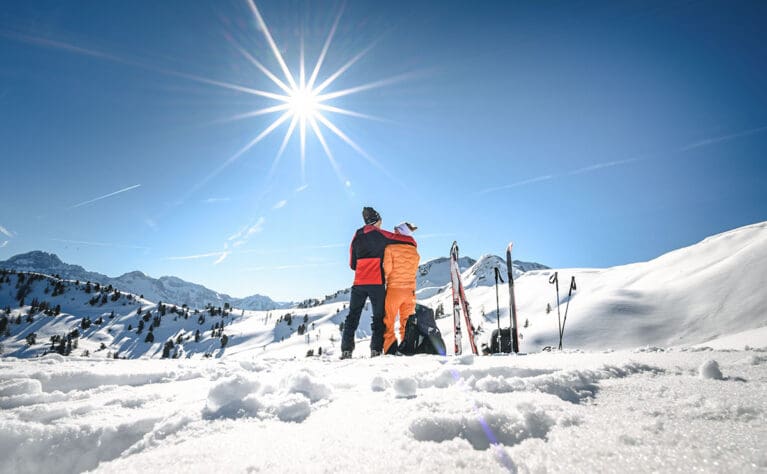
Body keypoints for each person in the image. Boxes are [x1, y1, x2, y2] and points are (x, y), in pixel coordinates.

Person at [342, 207, 415, 359]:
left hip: (359, 282)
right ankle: (376, 351)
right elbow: (399, 239)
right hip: (376, 282)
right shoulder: (380, 234)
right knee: (379, 317)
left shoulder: (357, 235)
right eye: (381, 222)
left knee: (353, 316)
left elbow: (352, 264)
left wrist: (363, 265)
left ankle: (346, 350)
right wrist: (412, 241)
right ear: (377, 221)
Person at [382, 222, 419, 355]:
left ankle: (390, 348)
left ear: (400, 232)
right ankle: (408, 347)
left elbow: (387, 269)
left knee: (389, 320)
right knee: (407, 321)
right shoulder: (414, 251)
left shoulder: (390, 248)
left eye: (396, 230)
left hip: (394, 290)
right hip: (410, 291)